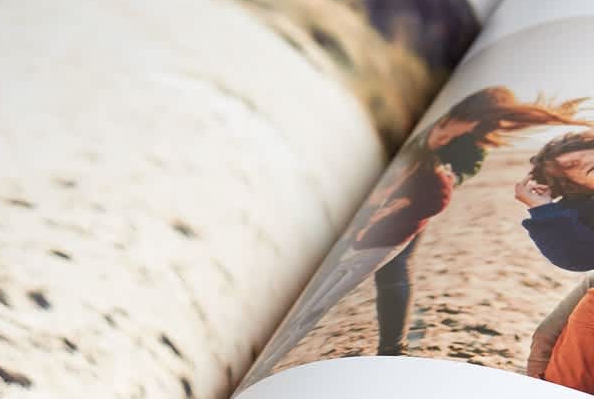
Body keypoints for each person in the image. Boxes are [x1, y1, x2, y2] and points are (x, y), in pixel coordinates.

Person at [248, 88, 588, 382]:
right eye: (569, 168)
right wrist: (542, 207)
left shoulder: (468, 152)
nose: (578, 164)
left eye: (579, 159)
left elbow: (576, 255)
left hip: (406, 215)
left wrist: (432, 181)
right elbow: (573, 254)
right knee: (546, 337)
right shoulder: (433, 129)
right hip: (376, 209)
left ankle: (391, 348)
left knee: (383, 272)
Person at [516, 130, 594, 271]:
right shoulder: (585, 209)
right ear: (572, 185)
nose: (586, 161)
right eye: (570, 165)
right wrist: (543, 208)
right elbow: (580, 257)